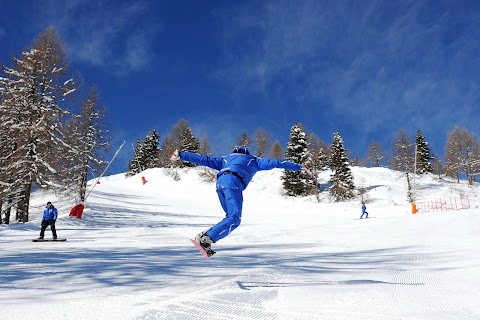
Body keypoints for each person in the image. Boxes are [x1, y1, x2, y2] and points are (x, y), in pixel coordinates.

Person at [171, 147, 305, 257]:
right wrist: (299, 167)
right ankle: (206, 239)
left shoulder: (225, 159)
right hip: (233, 183)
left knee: (229, 218)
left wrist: (181, 155)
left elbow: (204, 159)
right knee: (234, 219)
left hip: (220, 184)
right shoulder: (253, 160)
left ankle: (205, 238)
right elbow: (276, 163)